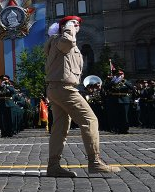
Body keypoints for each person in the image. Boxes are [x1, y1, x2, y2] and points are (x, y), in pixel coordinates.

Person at [43, 15, 121, 176]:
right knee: (89, 120)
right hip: (64, 87)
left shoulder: (56, 40)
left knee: (60, 126)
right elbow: (68, 43)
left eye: (77, 25)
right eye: (75, 24)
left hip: (56, 87)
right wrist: (68, 27)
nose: (77, 27)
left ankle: (53, 165)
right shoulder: (61, 39)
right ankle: (95, 162)